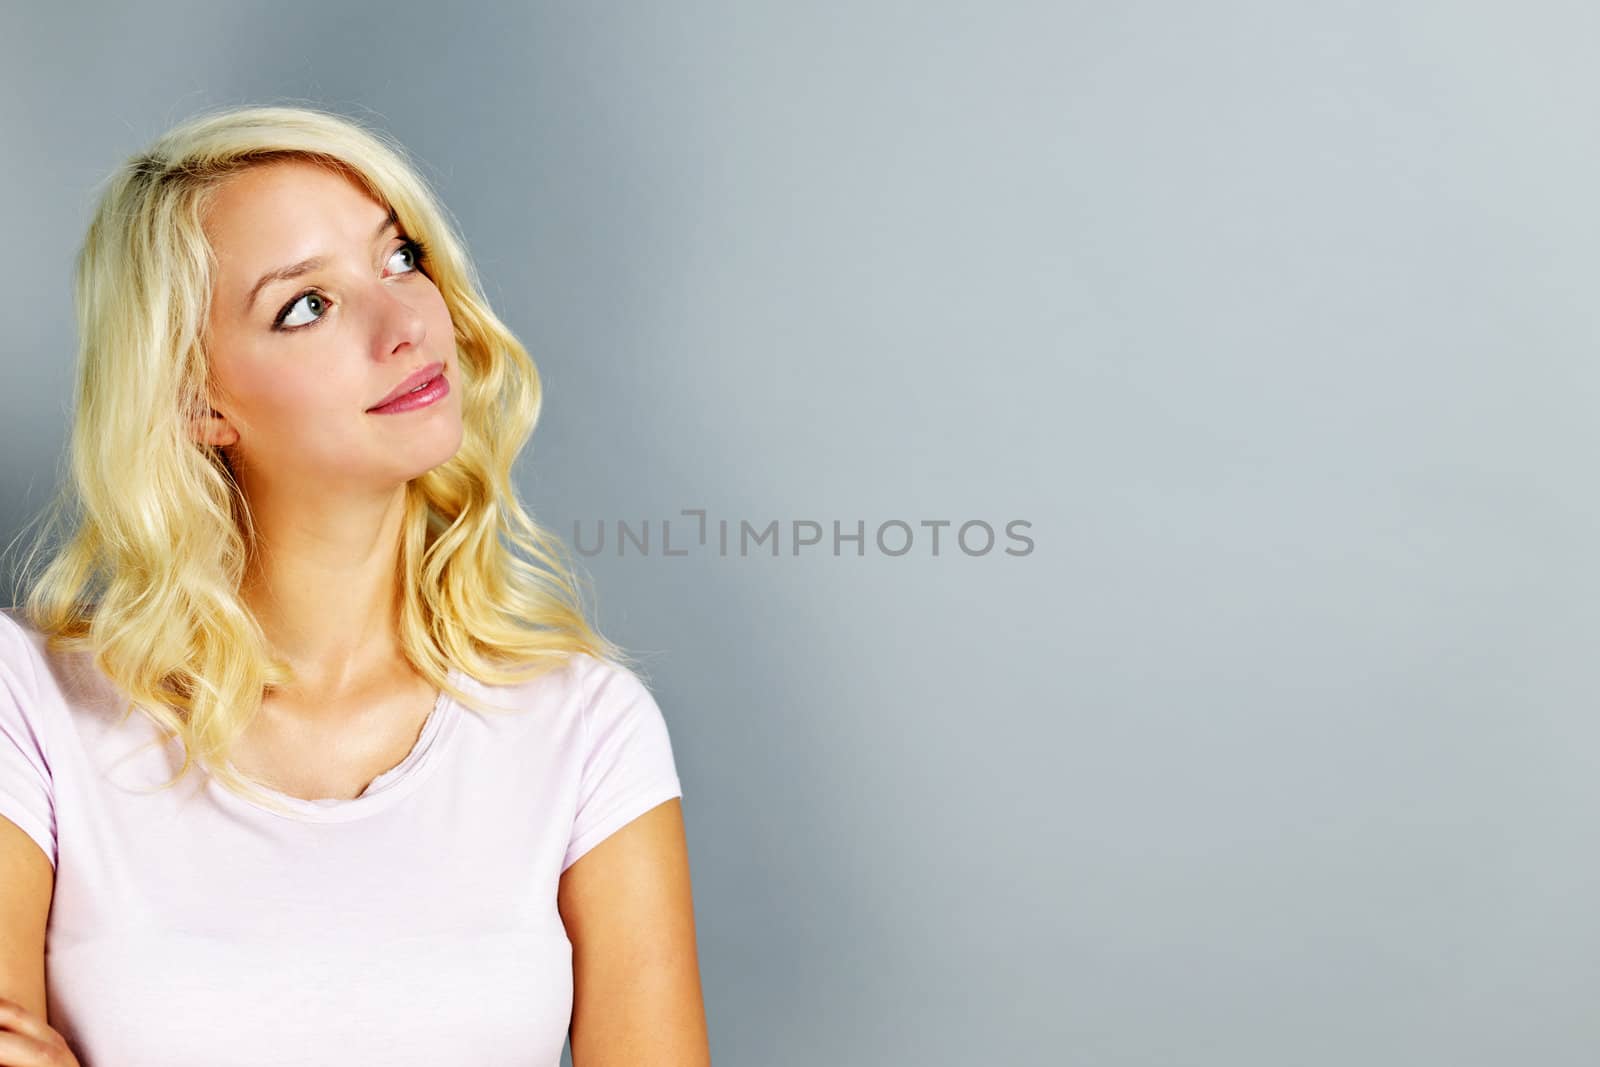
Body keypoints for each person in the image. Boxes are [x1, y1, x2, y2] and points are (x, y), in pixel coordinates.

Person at [0, 105, 711, 1066]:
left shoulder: (588, 730)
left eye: (400, 258)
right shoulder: (32, 711)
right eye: (307, 304)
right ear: (196, 402)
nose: (405, 324)